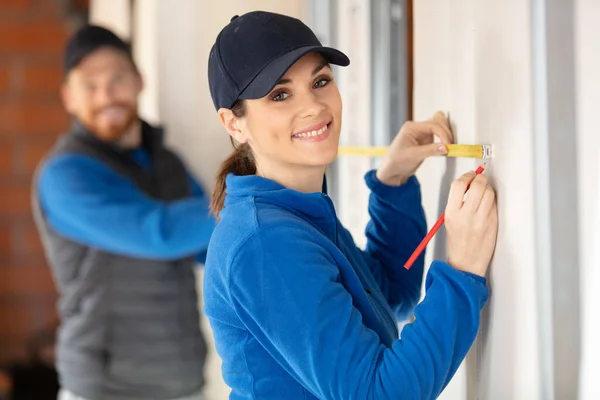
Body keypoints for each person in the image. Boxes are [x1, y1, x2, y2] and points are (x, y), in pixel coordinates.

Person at [203, 11, 498, 399]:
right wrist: (462, 270)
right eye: (280, 94)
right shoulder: (266, 243)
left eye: (320, 81)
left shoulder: (298, 212)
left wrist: (393, 184)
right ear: (233, 123)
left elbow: (389, 294)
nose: (313, 107)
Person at [32, 25, 215, 400]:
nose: (106, 94)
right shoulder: (65, 174)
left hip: (184, 382)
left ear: (139, 81)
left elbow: (210, 246)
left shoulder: (168, 164)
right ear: (68, 97)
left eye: (117, 78)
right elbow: (159, 233)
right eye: (90, 84)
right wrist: (260, 194)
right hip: (105, 388)